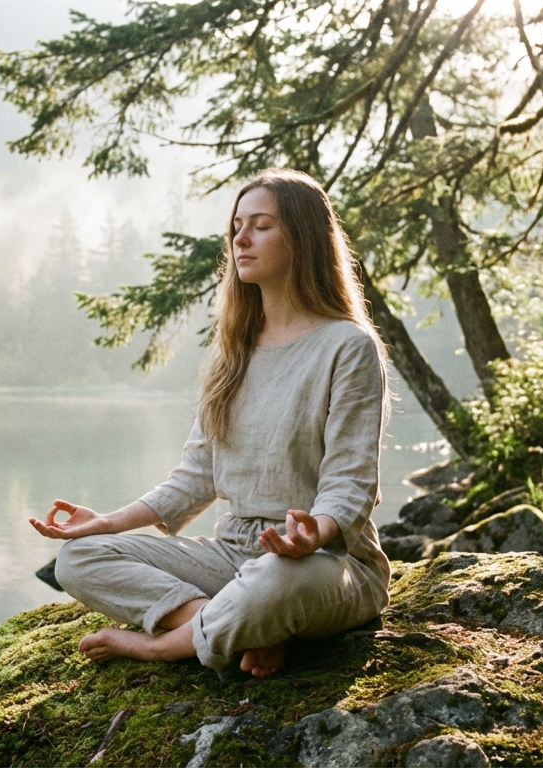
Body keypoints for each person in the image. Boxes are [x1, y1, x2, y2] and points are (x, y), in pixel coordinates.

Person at [28, 168, 391, 678]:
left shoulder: (347, 346)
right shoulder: (233, 352)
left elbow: (351, 482)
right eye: (237, 226)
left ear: (304, 238)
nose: (240, 238)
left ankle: (164, 646)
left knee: (273, 582)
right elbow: (196, 477)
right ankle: (243, 630)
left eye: (261, 225)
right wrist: (106, 522)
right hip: (231, 555)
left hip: (325, 563)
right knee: (78, 560)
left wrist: (313, 534)